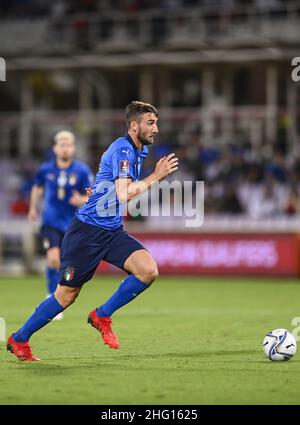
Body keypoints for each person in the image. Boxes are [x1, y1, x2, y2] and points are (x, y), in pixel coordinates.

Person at [7, 101, 179, 361]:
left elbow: (109, 183)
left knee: (147, 270)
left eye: (156, 122)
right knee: (66, 296)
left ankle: (102, 315)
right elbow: (123, 193)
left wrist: (99, 191)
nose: (156, 128)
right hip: (86, 232)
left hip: (110, 230)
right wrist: (156, 176)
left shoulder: (137, 150)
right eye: (150, 123)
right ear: (134, 126)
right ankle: (19, 339)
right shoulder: (124, 150)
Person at [28, 131, 94, 320]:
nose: (65, 148)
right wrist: (33, 208)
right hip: (50, 222)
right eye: (62, 144)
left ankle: (59, 295)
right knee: (53, 257)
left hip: (73, 224)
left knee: (67, 263)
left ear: (73, 148)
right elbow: (37, 187)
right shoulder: (45, 169)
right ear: (55, 148)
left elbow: (91, 195)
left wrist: (80, 199)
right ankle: (51, 295)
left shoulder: (81, 170)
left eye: (69, 144)